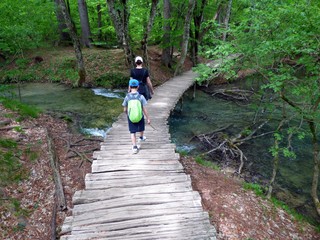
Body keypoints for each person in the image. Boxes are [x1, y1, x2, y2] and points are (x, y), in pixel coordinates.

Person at [122, 79, 151, 154]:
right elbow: (144, 109)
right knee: (141, 128)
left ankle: (134, 147)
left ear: (130, 87)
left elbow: (124, 109)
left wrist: (127, 114)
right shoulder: (141, 97)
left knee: (132, 132)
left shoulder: (127, 97)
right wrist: (148, 118)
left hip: (131, 117)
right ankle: (141, 137)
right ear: (138, 87)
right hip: (140, 116)